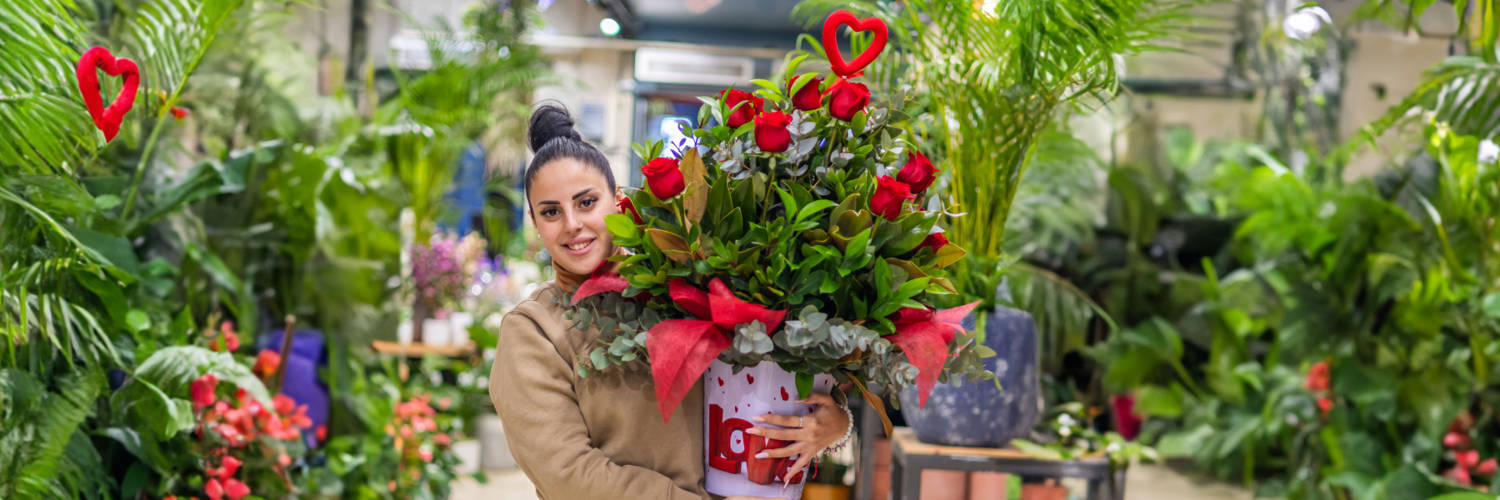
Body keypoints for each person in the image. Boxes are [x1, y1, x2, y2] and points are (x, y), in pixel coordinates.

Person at [489, 104, 852, 500]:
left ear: (618, 199)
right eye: (551, 212)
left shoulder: (679, 285)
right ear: (535, 223)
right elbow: (569, 475)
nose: (572, 223)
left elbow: (763, 382)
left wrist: (833, 423)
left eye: (586, 202)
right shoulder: (534, 331)